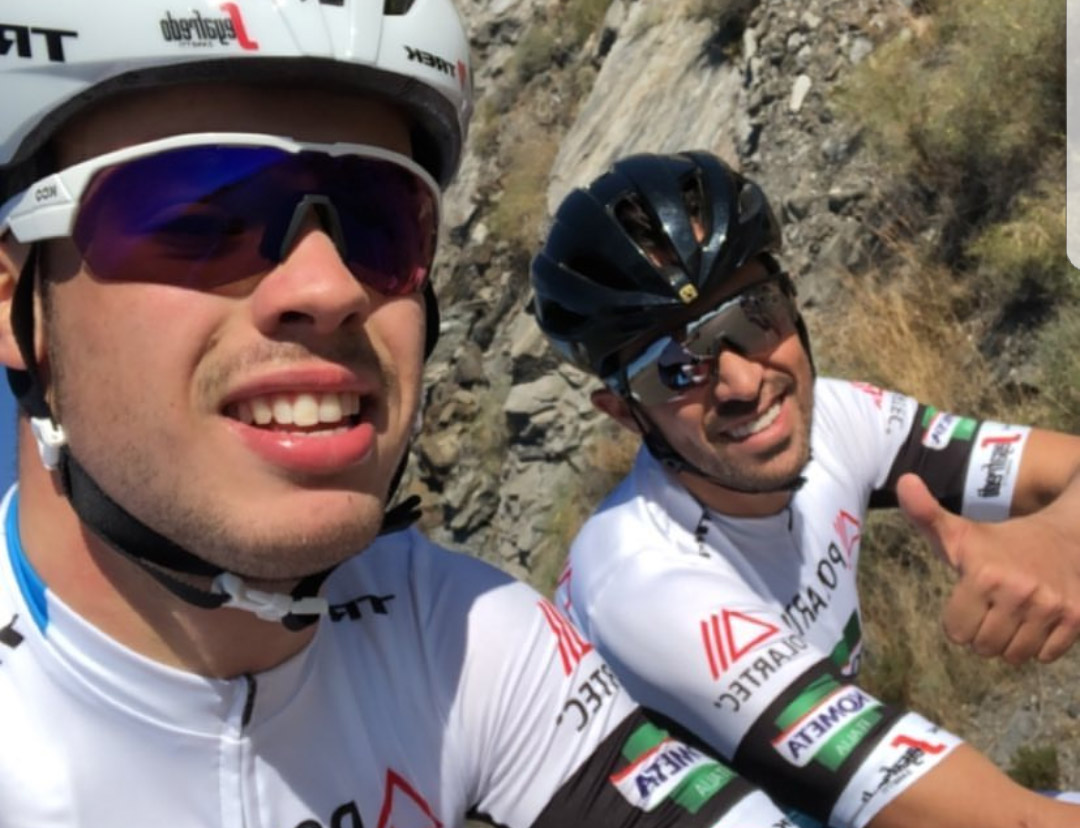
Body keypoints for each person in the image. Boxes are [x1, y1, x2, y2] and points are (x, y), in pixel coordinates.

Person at [0, 6, 802, 827]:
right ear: (11, 299)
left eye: (381, 224)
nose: (330, 289)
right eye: (199, 221)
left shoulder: (463, 636)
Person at [529, 150, 1080, 828]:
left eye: (752, 316)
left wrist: (1062, 535)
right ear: (624, 412)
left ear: (793, 303)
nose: (742, 384)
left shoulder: (839, 419)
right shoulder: (639, 586)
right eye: (672, 367)